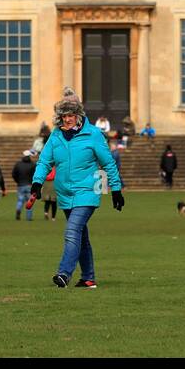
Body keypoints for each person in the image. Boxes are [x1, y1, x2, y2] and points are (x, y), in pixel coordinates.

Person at [30, 87, 124, 288]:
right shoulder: (56, 136)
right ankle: (88, 278)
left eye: (71, 115)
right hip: (65, 193)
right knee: (81, 236)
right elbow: (44, 161)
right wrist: (37, 183)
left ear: (78, 115)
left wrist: (116, 189)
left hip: (88, 190)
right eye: (64, 116)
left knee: (72, 231)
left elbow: (108, 163)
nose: (67, 119)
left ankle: (64, 274)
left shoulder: (94, 134)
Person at [13, 150, 36, 220]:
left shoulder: (18, 164)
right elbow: (35, 175)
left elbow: (14, 174)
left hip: (20, 184)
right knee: (30, 201)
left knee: (20, 200)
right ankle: (29, 217)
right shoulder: (33, 164)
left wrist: (18, 181)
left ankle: (18, 209)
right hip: (29, 185)